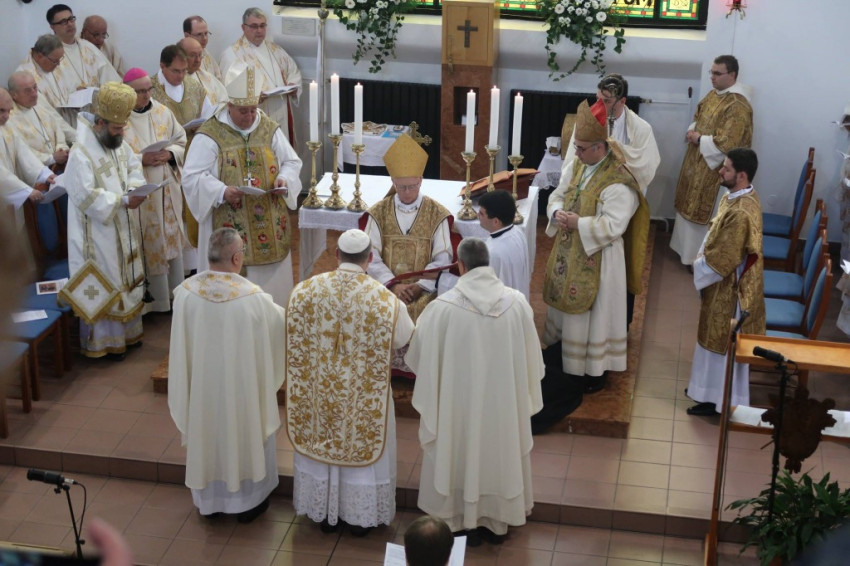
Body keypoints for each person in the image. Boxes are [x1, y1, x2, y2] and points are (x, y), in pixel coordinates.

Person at [407, 237, 544, 547]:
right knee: (498, 450)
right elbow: (532, 362)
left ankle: (455, 519)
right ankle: (496, 522)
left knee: (454, 446)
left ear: (461, 265)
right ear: (487, 264)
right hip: (502, 407)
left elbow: (418, 358)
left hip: (456, 408)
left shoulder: (441, 309)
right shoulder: (517, 305)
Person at [286, 229, 414, 536]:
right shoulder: (386, 300)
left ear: (337, 255)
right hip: (363, 395)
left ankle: (323, 514)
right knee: (361, 447)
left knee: (324, 440)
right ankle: (359, 518)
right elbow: (403, 338)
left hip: (321, 390)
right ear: (370, 259)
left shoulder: (305, 291)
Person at [168, 227, 285, 522]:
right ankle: (248, 504)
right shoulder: (254, 298)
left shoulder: (185, 294)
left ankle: (209, 503)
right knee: (244, 432)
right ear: (236, 258)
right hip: (241, 393)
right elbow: (280, 327)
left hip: (202, 393)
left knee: (207, 433)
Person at [542, 100, 649, 394]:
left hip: (599, 258)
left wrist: (579, 224)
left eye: (581, 148)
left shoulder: (619, 180)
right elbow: (558, 193)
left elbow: (615, 225)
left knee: (595, 317)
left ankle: (593, 370)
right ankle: (562, 357)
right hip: (569, 249)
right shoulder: (578, 164)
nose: (575, 153)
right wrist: (556, 212)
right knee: (567, 314)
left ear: (599, 148)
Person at [182, 65, 302, 306]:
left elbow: (291, 161)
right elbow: (191, 176)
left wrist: (284, 179)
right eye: (243, 111)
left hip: (268, 220)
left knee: (270, 299)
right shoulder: (210, 134)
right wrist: (221, 191)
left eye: (253, 110)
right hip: (226, 217)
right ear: (230, 106)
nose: (250, 117)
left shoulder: (267, 127)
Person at [63, 82, 146, 359]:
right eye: (117, 128)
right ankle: (105, 343)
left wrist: (134, 188)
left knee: (124, 275)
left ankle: (129, 334)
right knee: (107, 278)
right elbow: (85, 197)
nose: (122, 133)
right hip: (97, 232)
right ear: (100, 123)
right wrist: (122, 200)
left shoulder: (114, 141)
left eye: (123, 128)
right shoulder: (81, 153)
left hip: (120, 223)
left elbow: (133, 165)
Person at [685, 148, 765, 416]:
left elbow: (725, 259)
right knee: (712, 342)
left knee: (721, 346)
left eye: (726, 168)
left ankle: (721, 402)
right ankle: (706, 393)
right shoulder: (736, 196)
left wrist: (698, 266)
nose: (720, 171)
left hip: (731, 291)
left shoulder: (741, 212)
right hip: (722, 283)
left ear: (741, 176)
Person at [670, 54, 754, 267]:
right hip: (696, 161)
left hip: (715, 169)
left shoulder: (738, 104)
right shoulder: (713, 94)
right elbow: (698, 117)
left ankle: (699, 260)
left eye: (717, 73)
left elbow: (730, 142)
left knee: (706, 213)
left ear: (732, 75)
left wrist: (700, 139)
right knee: (688, 204)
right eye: (711, 72)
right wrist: (692, 131)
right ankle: (684, 252)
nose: (712, 77)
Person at [364, 133, 452, 323]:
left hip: (425, 293)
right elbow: (370, 256)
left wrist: (420, 285)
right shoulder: (378, 212)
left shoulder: (436, 213)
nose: (407, 192)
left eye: (412, 186)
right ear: (393, 182)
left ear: (421, 180)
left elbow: (443, 257)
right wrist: (393, 285)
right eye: (401, 187)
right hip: (385, 289)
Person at [122, 68, 188, 313]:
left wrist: (169, 153)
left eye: (148, 89)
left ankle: (171, 294)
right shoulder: (120, 118)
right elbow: (114, 154)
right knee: (145, 239)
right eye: (140, 91)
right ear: (128, 92)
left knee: (167, 236)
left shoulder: (162, 111)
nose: (146, 95)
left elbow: (181, 140)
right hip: (140, 189)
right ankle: (151, 302)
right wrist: (141, 159)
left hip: (166, 189)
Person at [562, 74, 660, 195]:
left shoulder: (642, 129)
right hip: (589, 188)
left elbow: (645, 168)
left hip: (622, 191)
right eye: (597, 99)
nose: (599, 106)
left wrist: (617, 151)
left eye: (606, 101)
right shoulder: (588, 122)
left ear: (622, 101)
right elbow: (574, 158)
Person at [219, 7, 301, 143]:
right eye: (254, 26)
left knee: (280, 149)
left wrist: (293, 85)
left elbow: (293, 71)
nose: (259, 30)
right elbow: (228, 88)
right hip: (255, 114)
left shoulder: (275, 50)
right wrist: (252, 96)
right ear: (243, 27)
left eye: (262, 26)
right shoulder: (232, 54)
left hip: (281, 109)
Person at [0, 87, 58, 276]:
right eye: (1, 111)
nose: (6, 116)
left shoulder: (6, 127)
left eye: (9, 111)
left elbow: (23, 153)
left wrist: (44, 174)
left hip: (9, 202)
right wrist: (25, 191)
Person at [44, 4, 121, 125]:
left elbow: (113, 82)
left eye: (71, 19)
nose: (69, 24)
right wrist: (72, 97)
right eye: (63, 22)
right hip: (68, 120)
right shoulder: (47, 54)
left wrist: (93, 93)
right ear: (52, 27)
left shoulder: (89, 48)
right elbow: (44, 91)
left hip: (97, 118)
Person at [7, 70, 76, 169]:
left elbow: (56, 126)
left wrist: (62, 149)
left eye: (35, 87)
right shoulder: (9, 118)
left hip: (61, 163)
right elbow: (20, 151)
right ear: (13, 95)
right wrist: (51, 158)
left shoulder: (39, 100)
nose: (34, 94)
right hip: (38, 171)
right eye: (27, 91)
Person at [477, 190, 530, 300]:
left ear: (496, 221)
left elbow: (488, 290)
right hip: (519, 300)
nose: (478, 215)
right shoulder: (517, 232)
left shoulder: (493, 252)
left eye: (481, 214)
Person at [151, 44, 215, 134]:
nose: (181, 76)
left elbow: (208, 114)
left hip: (196, 139)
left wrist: (203, 127)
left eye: (184, 70)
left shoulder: (194, 86)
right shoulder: (149, 91)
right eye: (176, 71)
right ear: (162, 66)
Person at [179, 36, 228, 106]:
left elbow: (224, 100)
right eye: (193, 55)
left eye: (200, 55)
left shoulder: (207, 77)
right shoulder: (174, 81)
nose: (198, 60)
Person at [183, 15, 222, 81]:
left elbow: (218, 78)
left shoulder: (205, 53)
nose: (204, 38)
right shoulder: (181, 60)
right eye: (199, 34)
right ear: (187, 36)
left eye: (206, 33)